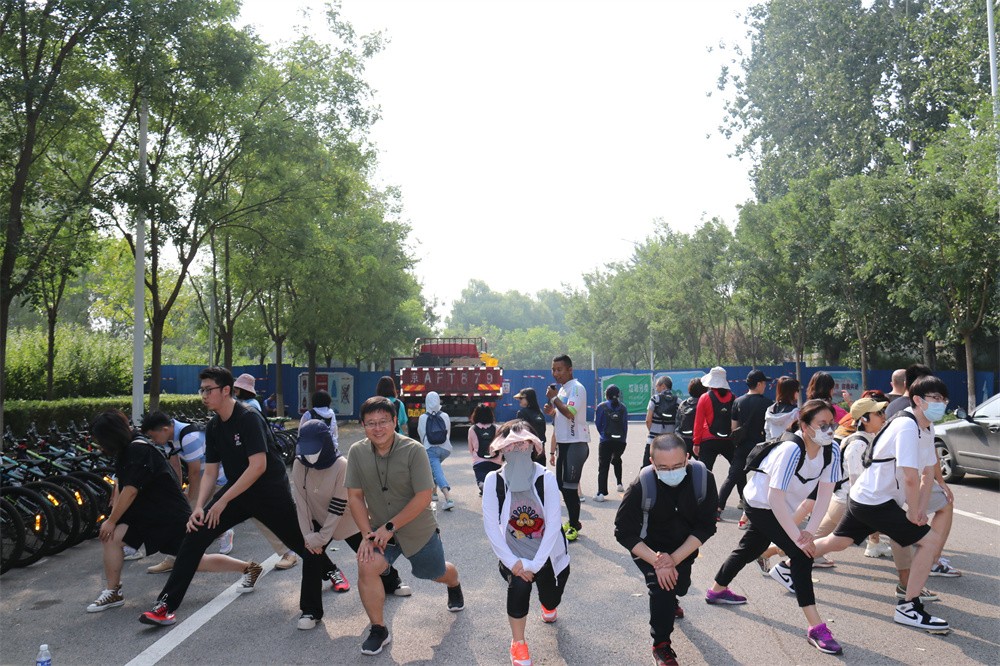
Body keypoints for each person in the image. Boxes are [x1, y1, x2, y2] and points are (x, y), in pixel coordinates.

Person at [138, 367, 325, 627]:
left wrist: (222, 501)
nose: (203, 395)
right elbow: (210, 471)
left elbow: (258, 466)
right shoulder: (214, 426)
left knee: (303, 542)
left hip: (269, 493)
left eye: (208, 390)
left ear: (226, 390)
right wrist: (200, 507)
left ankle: (331, 572)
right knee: (194, 534)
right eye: (202, 390)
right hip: (237, 492)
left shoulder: (249, 418)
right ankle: (165, 606)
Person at [810, 375, 953, 634]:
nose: (941, 403)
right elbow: (910, 476)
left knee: (838, 542)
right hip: (875, 501)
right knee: (929, 542)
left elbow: (927, 473)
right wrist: (914, 511)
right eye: (935, 398)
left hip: (868, 498)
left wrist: (922, 507)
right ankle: (909, 606)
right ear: (918, 400)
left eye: (944, 399)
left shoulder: (926, 426)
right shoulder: (907, 425)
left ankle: (788, 562)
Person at [86, 410, 262, 614]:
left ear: (111, 436)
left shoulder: (137, 449)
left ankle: (248, 568)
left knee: (196, 561)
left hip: (168, 517)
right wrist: (112, 519)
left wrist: (111, 520)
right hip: (144, 516)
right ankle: (113, 591)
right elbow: (123, 485)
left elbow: (131, 490)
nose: (99, 445)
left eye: (100, 440)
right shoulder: (128, 449)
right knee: (111, 538)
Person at [707, 399, 844, 656]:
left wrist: (810, 532)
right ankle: (816, 627)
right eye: (822, 424)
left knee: (750, 548)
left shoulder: (832, 450)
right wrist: (799, 539)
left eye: (831, 424)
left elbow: (824, 495)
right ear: (805, 426)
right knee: (802, 556)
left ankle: (716, 590)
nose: (829, 430)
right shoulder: (791, 450)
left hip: (781, 507)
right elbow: (774, 498)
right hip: (761, 504)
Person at [346, 396, 464, 656]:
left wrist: (390, 527)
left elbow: (424, 496)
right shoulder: (356, 452)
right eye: (371, 423)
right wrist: (366, 535)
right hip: (379, 532)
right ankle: (379, 629)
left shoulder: (414, 450)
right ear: (363, 425)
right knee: (366, 565)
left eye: (383, 421)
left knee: (436, 573)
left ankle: (454, 583)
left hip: (417, 529)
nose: (378, 428)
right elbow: (354, 496)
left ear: (394, 422)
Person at [290, 420, 411, 630]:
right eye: (305, 449)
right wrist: (309, 537)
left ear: (325, 443)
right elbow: (301, 503)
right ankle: (310, 611)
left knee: (371, 554)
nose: (309, 455)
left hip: (348, 521)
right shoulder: (299, 464)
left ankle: (392, 581)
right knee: (310, 559)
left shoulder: (342, 465)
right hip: (318, 522)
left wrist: (321, 538)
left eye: (314, 449)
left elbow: (338, 507)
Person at [615, 434, 717, 666]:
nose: (671, 472)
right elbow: (623, 531)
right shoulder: (641, 485)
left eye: (677, 466)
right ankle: (661, 645)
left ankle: (673, 601)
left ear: (687, 458)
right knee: (663, 587)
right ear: (652, 462)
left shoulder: (703, 478)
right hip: (649, 547)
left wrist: (674, 559)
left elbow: (706, 526)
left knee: (681, 586)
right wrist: (658, 561)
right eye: (663, 467)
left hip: (684, 546)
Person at [482, 420, 570, 666]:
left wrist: (536, 564)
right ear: (501, 449)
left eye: (523, 444)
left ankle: (548, 605)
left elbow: (553, 524)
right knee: (519, 586)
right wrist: (514, 563)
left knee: (551, 599)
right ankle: (518, 642)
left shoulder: (545, 478)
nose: (517, 450)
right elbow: (491, 526)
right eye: (510, 446)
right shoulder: (493, 480)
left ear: (533, 447)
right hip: (514, 554)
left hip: (547, 554)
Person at [140, 411, 235, 573]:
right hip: (205, 476)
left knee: (189, 515)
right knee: (186, 516)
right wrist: (177, 491)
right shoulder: (169, 438)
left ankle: (219, 535)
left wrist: (191, 498)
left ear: (164, 429)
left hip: (218, 477)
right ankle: (177, 555)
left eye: (153, 436)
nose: (153, 441)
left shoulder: (189, 437)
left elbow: (194, 471)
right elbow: (174, 466)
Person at [543, 354, 590, 542]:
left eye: (559, 369)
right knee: (562, 485)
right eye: (553, 369)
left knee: (570, 488)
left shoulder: (577, 388)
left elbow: (570, 413)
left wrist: (554, 399)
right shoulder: (563, 389)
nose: (556, 373)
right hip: (563, 444)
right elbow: (562, 413)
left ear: (570, 370)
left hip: (576, 444)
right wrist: (553, 412)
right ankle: (572, 521)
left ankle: (574, 524)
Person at [719, 370, 773, 528]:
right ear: (759, 384)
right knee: (761, 481)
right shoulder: (768, 403)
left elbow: (733, 427)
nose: (765, 386)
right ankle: (755, 514)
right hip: (761, 448)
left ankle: (718, 508)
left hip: (742, 447)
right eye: (764, 383)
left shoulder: (738, 402)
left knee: (732, 477)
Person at [692, 366, 734, 520]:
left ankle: (703, 505)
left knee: (704, 474)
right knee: (737, 471)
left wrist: (696, 442)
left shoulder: (705, 397)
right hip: (728, 441)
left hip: (708, 440)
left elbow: (698, 422)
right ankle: (744, 501)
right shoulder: (733, 397)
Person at [417, 391, 455, 511]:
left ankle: (448, 499)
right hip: (445, 449)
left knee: (437, 472)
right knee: (434, 469)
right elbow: (448, 433)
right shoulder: (445, 416)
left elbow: (422, 435)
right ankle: (434, 493)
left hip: (430, 449)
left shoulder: (422, 418)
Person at [595, 384, 628, 501]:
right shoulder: (623, 407)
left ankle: (601, 493)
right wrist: (622, 440)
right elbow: (625, 426)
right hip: (620, 441)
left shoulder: (601, 406)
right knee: (617, 459)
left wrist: (603, 434)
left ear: (607, 395)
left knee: (603, 466)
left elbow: (598, 424)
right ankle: (619, 483)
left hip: (606, 440)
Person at [644, 376, 679, 468]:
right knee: (668, 468)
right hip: (670, 442)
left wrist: (653, 432)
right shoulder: (678, 401)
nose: (656, 388)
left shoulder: (655, 399)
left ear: (663, 386)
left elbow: (648, 420)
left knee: (646, 468)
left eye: (657, 386)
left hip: (653, 440)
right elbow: (679, 422)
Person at [468, 404, 501, 497]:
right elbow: (500, 445)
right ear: (490, 414)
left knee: (481, 479)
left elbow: (471, 448)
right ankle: (493, 490)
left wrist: (475, 456)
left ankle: (483, 486)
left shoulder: (472, 429)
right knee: (495, 479)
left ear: (475, 415)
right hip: (496, 460)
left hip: (479, 461)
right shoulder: (497, 428)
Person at [674, 378, 707, 457]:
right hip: (699, 440)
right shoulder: (704, 403)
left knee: (682, 463)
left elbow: (677, 422)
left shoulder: (683, 403)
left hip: (683, 439)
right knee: (703, 463)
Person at [514, 388, 547, 465]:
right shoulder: (540, 413)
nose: (519, 400)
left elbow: (519, 433)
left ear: (528, 398)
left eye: (521, 398)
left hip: (527, 451)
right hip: (540, 449)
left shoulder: (522, 413)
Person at [764, 376, 800, 441]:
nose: (798, 393)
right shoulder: (796, 413)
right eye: (797, 390)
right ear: (792, 392)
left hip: (774, 445)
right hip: (791, 445)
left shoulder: (769, 411)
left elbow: (767, 432)